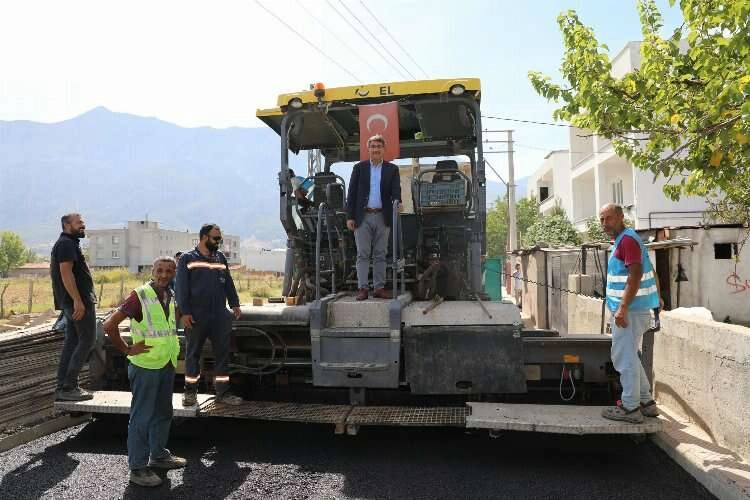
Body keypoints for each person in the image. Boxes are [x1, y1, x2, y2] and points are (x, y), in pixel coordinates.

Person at [102, 257, 186, 488]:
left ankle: (158, 455)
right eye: (160, 270)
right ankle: (137, 468)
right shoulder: (139, 295)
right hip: (145, 365)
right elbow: (109, 326)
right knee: (142, 417)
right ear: (152, 271)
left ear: (174, 273)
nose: (164, 274)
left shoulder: (170, 296)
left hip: (166, 362)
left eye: (169, 271)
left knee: (163, 412)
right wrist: (127, 349)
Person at [599, 203, 661, 423]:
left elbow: (635, 274)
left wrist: (622, 308)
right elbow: (650, 270)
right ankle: (645, 402)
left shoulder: (627, 240)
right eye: (602, 220)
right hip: (635, 310)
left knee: (624, 358)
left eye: (609, 218)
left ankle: (630, 408)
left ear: (620, 217)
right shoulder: (626, 239)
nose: (605, 223)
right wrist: (657, 299)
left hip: (629, 312)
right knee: (631, 357)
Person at [176, 223, 243, 406]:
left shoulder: (220, 257)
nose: (218, 242)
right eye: (216, 238)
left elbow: (228, 282)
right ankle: (190, 392)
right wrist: (185, 312)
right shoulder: (187, 258)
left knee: (222, 354)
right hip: (197, 315)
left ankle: (223, 393)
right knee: (193, 354)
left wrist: (235, 303)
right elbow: (181, 288)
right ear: (204, 237)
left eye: (219, 238)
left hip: (220, 315)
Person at [346, 134, 402, 301]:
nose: (376, 149)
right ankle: (362, 288)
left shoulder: (392, 169)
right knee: (362, 254)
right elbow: (352, 193)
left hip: (382, 216)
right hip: (362, 217)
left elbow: (396, 191)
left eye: (379, 146)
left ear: (383, 149)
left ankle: (379, 288)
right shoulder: (359, 168)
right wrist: (350, 216)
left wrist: (398, 202)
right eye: (373, 146)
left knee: (380, 254)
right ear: (368, 149)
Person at [50, 213, 97, 401]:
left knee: (72, 343)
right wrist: (77, 300)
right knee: (87, 341)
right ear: (66, 225)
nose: (82, 225)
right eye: (79, 223)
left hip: (72, 303)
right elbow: (65, 273)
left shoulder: (68, 243)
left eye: (83, 222)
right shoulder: (66, 244)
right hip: (78, 303)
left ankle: (63, 386)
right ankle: (69, 387)